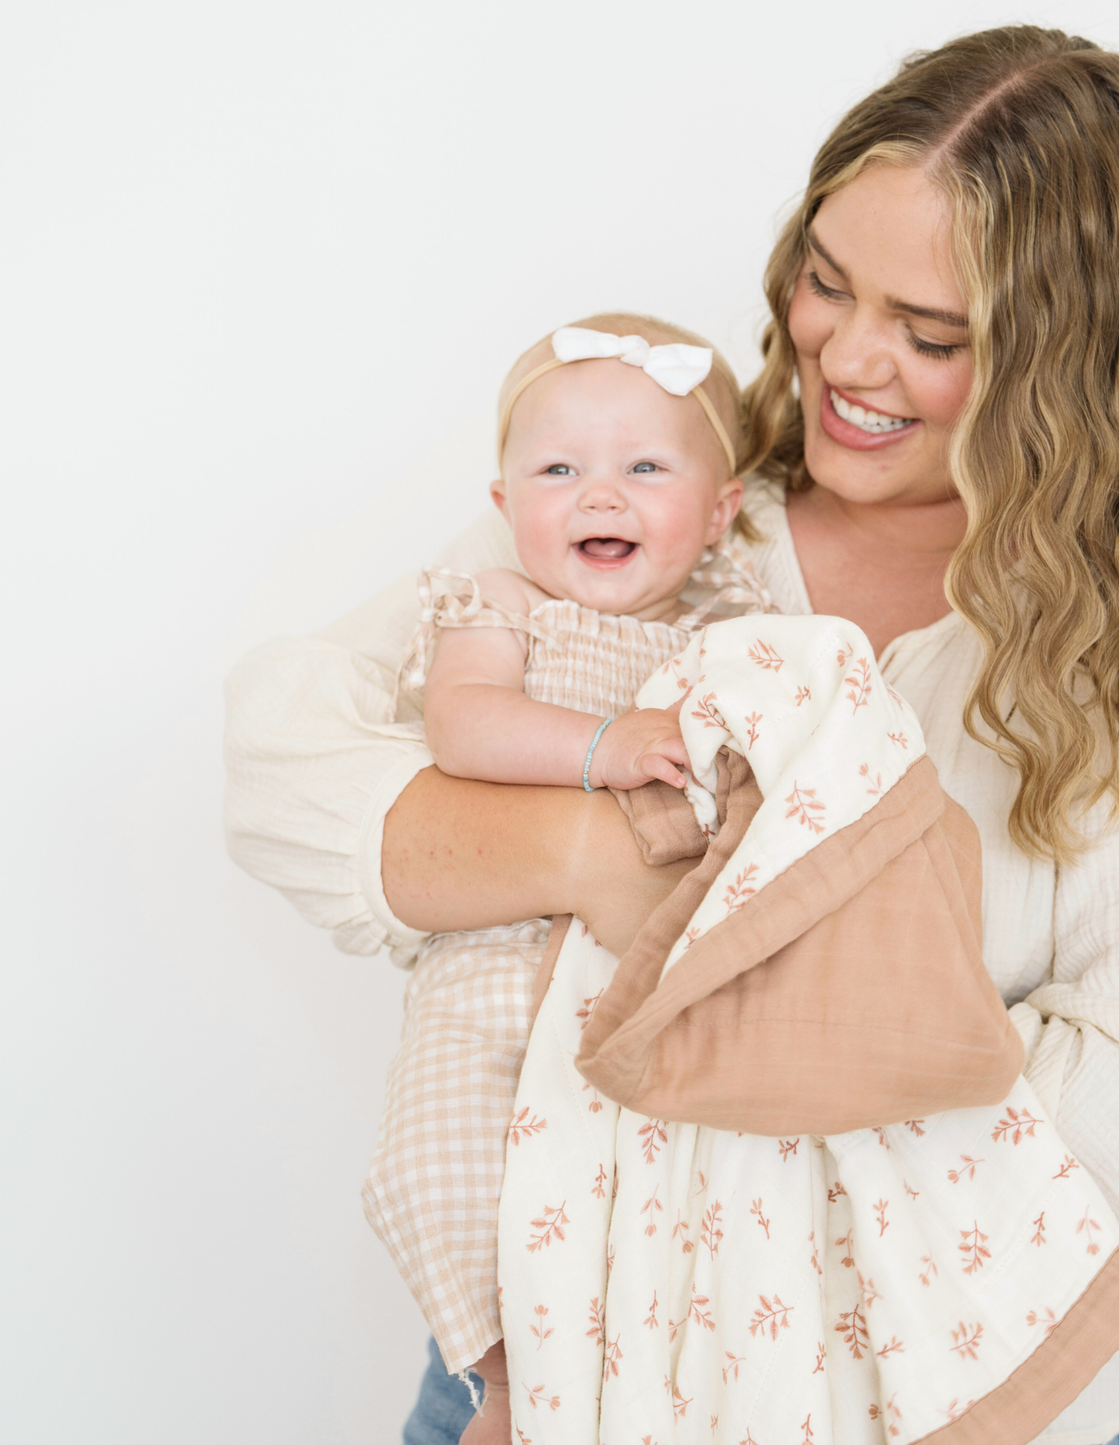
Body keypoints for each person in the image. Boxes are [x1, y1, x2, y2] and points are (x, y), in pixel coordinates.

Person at [223, 24, 1119, 1445]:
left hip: (917, 1404)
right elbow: (284, 758)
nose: (846, 355)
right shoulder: (656, 520)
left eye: (932, 333)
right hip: (552, 1369)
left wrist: (706, 986)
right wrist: (592, 847)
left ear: (1068, 363)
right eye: (826, 280)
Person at [359, 310, 765, 1444]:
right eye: (557, 469)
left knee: (640, 1212)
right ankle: (492, 1382)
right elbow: (465, 727)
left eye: (644, 466)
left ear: (722, 508)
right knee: (434, 1167)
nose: (598, 495)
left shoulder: (746, 632)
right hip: (497, 961)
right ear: (502, 505)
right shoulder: (499, 608)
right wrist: (602, 748)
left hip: (653, 989)